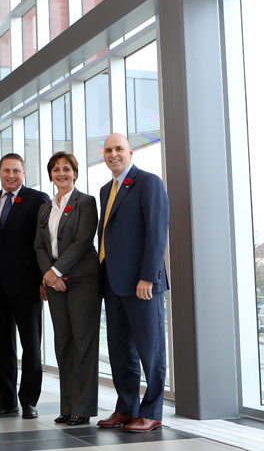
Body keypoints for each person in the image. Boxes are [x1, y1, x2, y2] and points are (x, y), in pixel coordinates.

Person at [96, 133, 169, 433]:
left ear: (130, 153)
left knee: (150, 350)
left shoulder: (148, 182)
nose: (114, 154)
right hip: (113, 283)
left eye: (119, 149)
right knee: (120, 351)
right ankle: (126, 409)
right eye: (109, 150)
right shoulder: (105, 190)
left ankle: (151, 411)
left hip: (142, 284)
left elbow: (156, 232)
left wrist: (148, 276)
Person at [34, 151, 101, 426]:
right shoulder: (45, 208)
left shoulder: (86, 202)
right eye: (56, 169)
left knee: (83, 343)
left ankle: (82, 408)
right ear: (51, 175)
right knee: (63, 343)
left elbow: (83, 241)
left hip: (83, 279)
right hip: (55, 283)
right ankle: (67, 405)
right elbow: (39, 245)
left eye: (66, 168)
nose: (61, 173)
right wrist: (49, 277)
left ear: (75, 173)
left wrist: (55, 271)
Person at [0, 154, 49, 420]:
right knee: (1, 346)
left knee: (31, 345)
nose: (11, 175)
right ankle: (6, 399)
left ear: (24, 172)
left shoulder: (37, 199)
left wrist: (45, 278)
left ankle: (29, 401)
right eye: (6, 170)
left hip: (28, 286)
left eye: (16, 171)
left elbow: (44, 242)